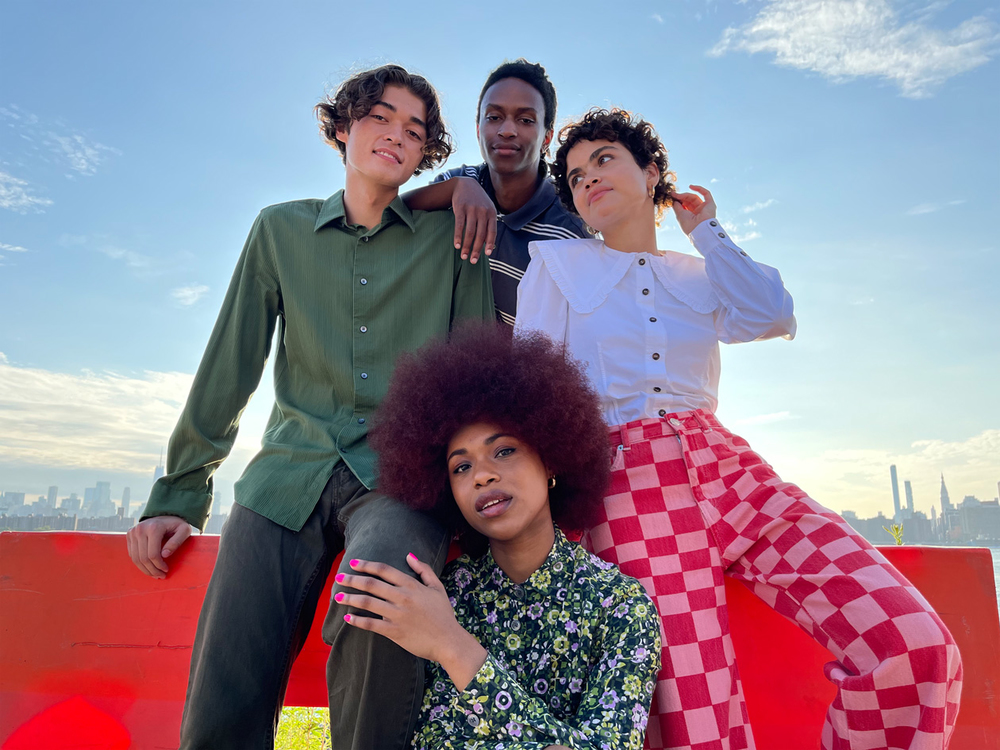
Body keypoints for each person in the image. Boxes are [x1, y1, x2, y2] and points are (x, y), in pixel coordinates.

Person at [515, 108, 963, 750]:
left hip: (731, 467)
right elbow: (532, 389)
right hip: (627, 482)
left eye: (604, 158)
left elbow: (773, 315)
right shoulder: (558, 266)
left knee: (912, 644)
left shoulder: (699, 271)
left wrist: (707, 230)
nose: (588, 178)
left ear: (652, 173)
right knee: (693, 717)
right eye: (577, 175)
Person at [125, 65, 494, 750]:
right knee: (231, 652)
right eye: (380, 117)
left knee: (380, 594)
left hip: (399, 477)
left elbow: (474, 373)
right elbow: (231, 363)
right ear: (343, 128)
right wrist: (178, 493)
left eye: (414, 130)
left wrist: (475, 506)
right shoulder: (278, 230)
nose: (396, 135)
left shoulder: (452, 241)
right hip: (287, 473)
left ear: (425, 154)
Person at [335, 324, 662, 749]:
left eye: (504, 451)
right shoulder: (440, 594)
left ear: (550, 460)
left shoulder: (621, 608)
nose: (483, 475)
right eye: (461, 466)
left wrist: (453, 646)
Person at [404, 59, 588, 326]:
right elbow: (394, 215)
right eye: (494, 117)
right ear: (478, 128)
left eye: (526, 120)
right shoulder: (457, 183)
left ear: (546, 137)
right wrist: (456, 187)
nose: (507, 130)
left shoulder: (570, 229)